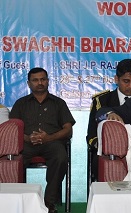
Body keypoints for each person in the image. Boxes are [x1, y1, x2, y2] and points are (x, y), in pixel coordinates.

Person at [9, 67, 75, 213]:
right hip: (26, 143)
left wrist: (49, 138)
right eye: (35, 80)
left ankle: (49, 203)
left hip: (52, 143)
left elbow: (68, 130)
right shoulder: (21, 103)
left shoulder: (59, 103)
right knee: (12, 159)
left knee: (60, 157)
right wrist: (27, 137)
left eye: (43, 79)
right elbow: (13, 129)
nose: (40, 83)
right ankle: (17, 199)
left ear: (48, 81)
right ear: (28, 83)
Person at [86, 58, 131, 181]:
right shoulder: (102, 101)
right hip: (110, 153)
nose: (130, 86)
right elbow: (91, 136)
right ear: (116, 79)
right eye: (126, 81)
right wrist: (107, 147)